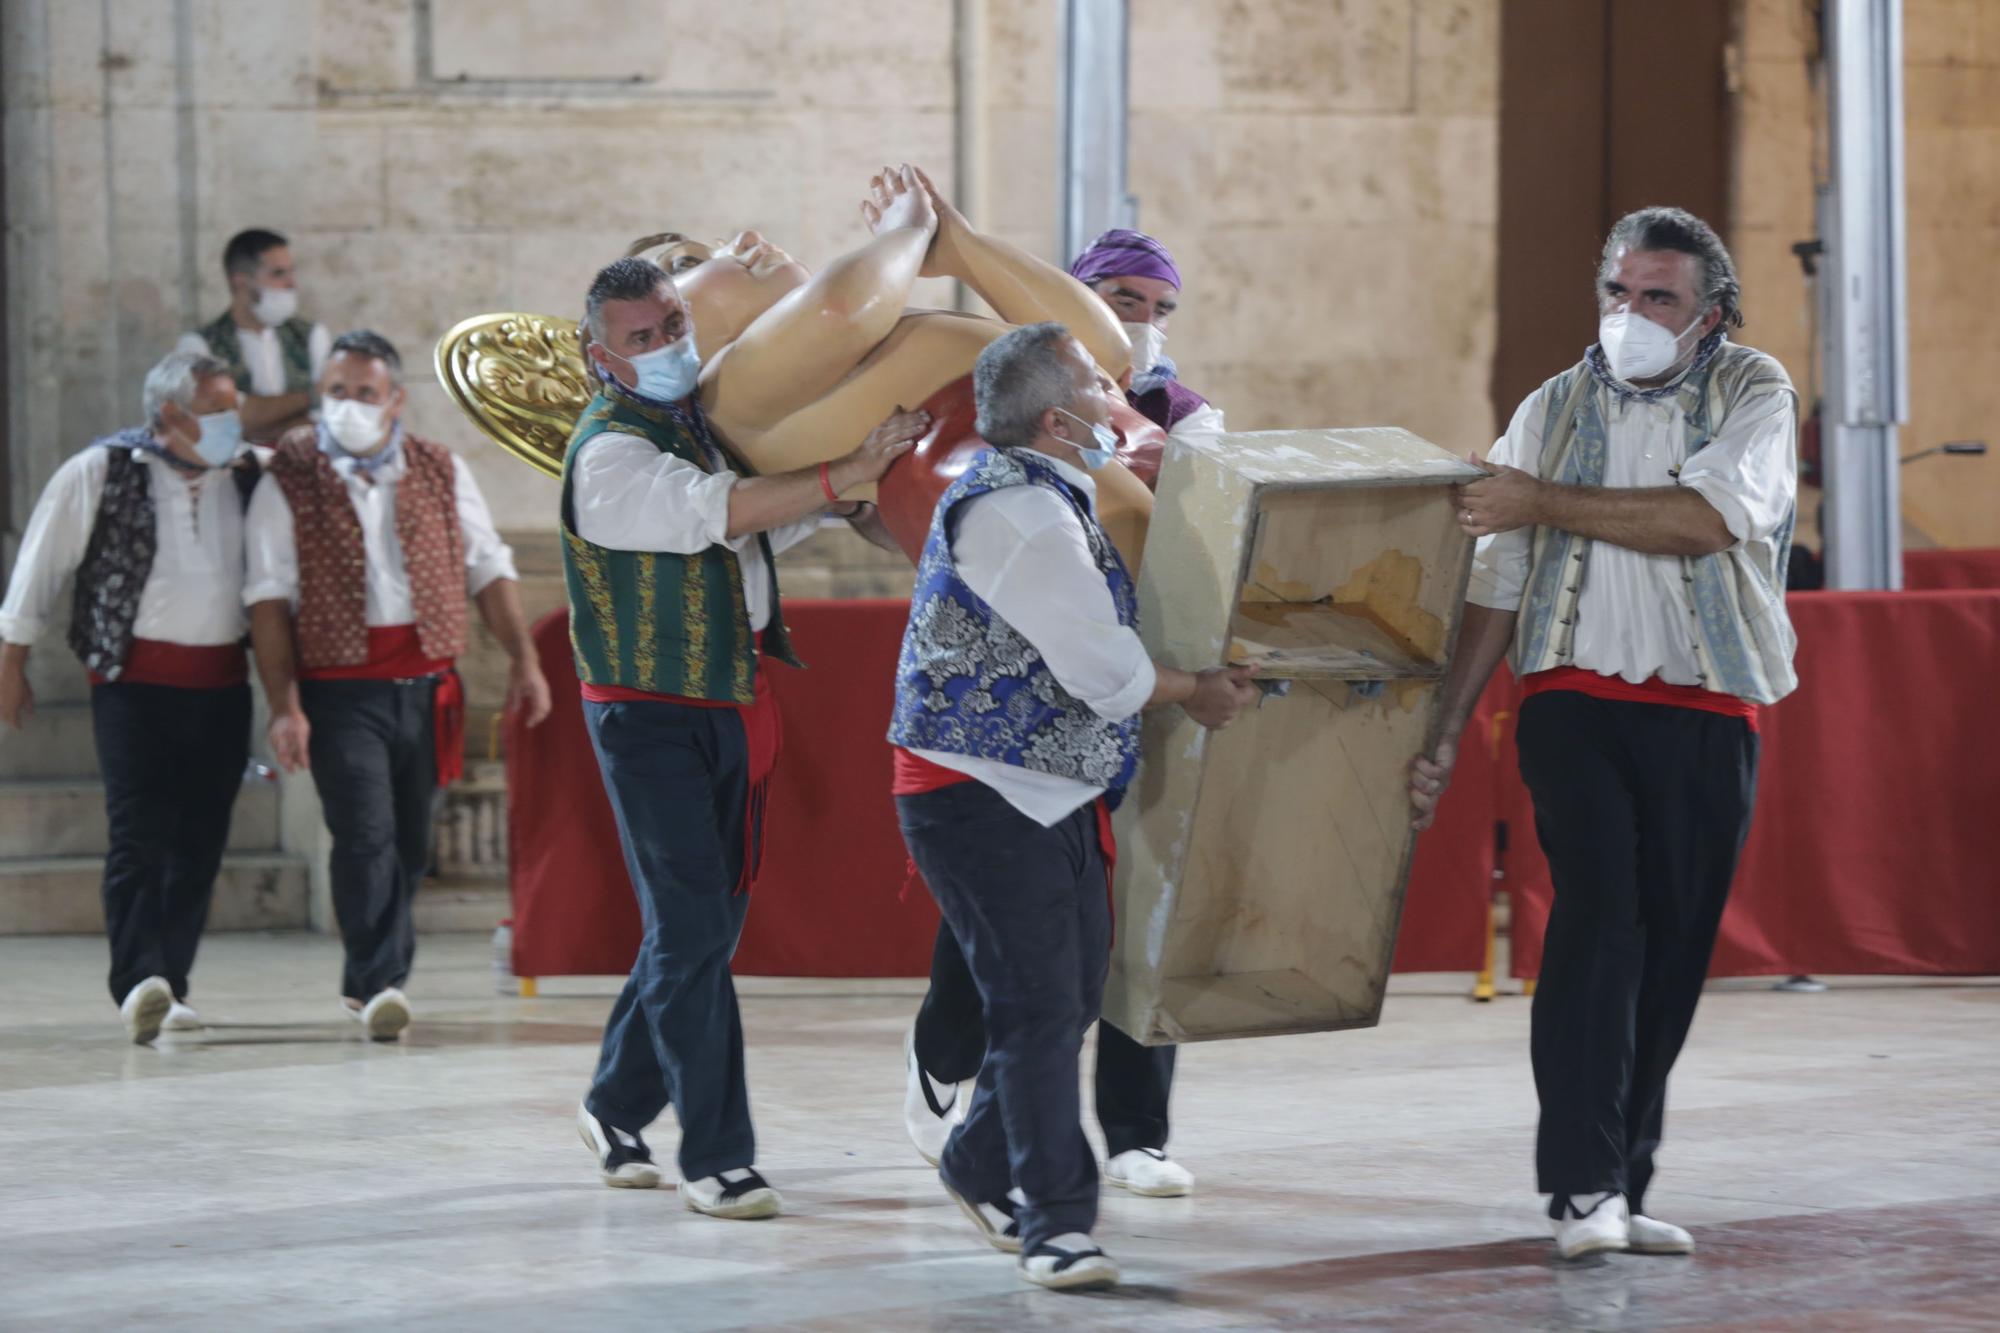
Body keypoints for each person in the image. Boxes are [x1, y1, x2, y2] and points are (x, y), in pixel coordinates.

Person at [1407, 207, 1798, 1262]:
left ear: (1706, 314)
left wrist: (1541, 501)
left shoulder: (1753, 392)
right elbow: (1493, 573)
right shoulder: (1549, 406)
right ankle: (1579, 1186)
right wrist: (1445, 727)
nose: (1628, 315)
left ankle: (1620, 1179)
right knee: (1596, 924)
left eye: (1656, 297)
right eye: (1616, 293)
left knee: (1671, 947)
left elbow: (1704, 518)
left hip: (1705, 703)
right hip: (1569, 697)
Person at [891, 322, 1259, 1291]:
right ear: (1058, 419)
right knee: (1034, 1006)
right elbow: (1102, 670)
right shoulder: (1019, 511)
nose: (1119, 394)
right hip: (977, 793)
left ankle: (976, 1163)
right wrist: (1195, 689)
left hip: (1048, 790)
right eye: (1101, 384)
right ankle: (1056, 1221)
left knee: (1068, 992)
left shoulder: (1055, 491)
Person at [563, 257, 925, 1220]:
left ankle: (613, 1102)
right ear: (603, 357)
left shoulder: (698, 426)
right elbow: (714, 514)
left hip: (732, 701)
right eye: (645, 338)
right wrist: (840, 469)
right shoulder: (605, 453)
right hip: (645, 716)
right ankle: (718, 1157)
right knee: (690, 928)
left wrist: (842, 494)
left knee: (704, 929)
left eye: (675, 323)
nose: (672, 345)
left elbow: (753, 535)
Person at [614, 163, 1159, 565]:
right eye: (689, 263)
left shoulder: (880, 333)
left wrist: (963, 250)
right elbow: (841, 309)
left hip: (1111, 433)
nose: (747, 240)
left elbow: (1103, 350)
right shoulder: (726, 388)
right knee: (1158, 566)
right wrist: (908, 232)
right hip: (1024, 476)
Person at [245, 330, 550, 1041]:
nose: (348, 406)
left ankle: (375, 979)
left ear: (395, 400)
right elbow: (267, 600)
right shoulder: (286, 478)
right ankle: (379, 981)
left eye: (364, 393)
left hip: (427, 688)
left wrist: (524, 660)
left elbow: (488, 566)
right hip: (339, 690)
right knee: (365, 833)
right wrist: (285, 705)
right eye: (336, 393)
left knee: (411, 843)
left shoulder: (440, 468)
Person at [0, 350, 261, 1043]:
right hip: (132, 687)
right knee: (139, 835)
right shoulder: (102, 470)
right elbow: (40, 564)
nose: (232, 421)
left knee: (200, 840)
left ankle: (172, 982)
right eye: (217, 409)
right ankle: (137, 979)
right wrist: (11, 658)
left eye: (235, 406)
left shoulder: (249, 474)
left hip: (223, 686)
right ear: (171, 414)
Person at [1069, 227, 1226, 446]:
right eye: (1126, 304)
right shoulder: (1032, 383)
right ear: (1080, 301)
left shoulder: (1184, 413)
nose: (1145, 324)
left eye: (1161, 312)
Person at [177, 228, 331, 442]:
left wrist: (256, 425)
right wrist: (309, 397)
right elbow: (224, 421)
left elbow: (326, 419)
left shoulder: (312, 336)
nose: (291, 284)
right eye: (278, 274)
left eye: (291, 272)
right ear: (241, 281)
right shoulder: (199, 345)